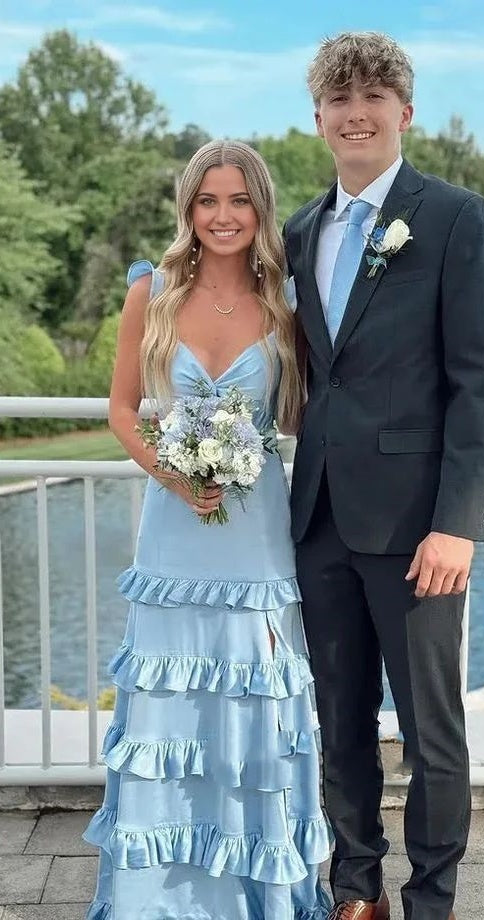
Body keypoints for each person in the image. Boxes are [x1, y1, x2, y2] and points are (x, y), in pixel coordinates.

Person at [284, 32, 484, 920]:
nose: (356, 113)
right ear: (318, 119)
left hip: (419, 529)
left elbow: (480, 383)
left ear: (403, 113)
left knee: (429, 731)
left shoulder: (453, 217)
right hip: (318, 522)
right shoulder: (299, 231)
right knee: (338, 720)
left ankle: (430, 901)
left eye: (373, 97)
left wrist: (456, 523)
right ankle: (356, 890)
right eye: (339, 99)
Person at [84, 140, 331, 920]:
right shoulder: (151, 293)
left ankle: (258, 894)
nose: (223, 216)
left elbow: (306, 414)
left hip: (257, 535)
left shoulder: (287, 301)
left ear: (260, 208)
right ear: (188, 209)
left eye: (238, 201)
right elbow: (122, 410)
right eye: (207, 201)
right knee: (172, 695)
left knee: (256, 697)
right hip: (173, 532)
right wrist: (172, 473)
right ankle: (159, 900)